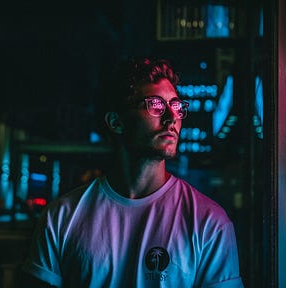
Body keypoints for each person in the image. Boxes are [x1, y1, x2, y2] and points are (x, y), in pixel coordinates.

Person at [22, 58, 244, 287]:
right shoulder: (61, 217)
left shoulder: (208, 221)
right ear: (116, 122)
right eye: (156, 104)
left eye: (176, 106)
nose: (171, 118)